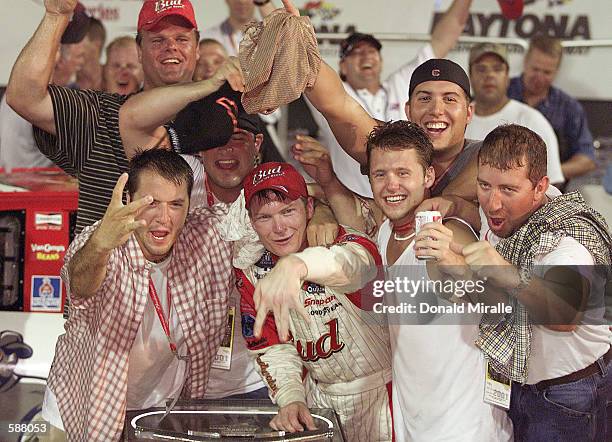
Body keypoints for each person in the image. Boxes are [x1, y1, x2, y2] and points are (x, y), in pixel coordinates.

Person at [293, 120, 512, 441]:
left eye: (403, 173)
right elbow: (353, 221)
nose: (391, 185)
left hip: (465, 428)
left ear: (428, 177)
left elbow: (502, 305)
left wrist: (455, 263)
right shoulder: (384, 233)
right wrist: (326, 183)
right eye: (381, 174)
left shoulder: (450, 232)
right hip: (411, 423)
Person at [433, 124, 612, 441]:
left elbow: (564, 317)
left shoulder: (566, 242)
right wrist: (453, 206)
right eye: (484, 185)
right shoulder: (510, 214)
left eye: (508, 190)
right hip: (522, 386)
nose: (492, 203)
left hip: (570, 395)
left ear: (540, 186)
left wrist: (504, 271)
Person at [41, 149, 234, 440]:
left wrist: (320, 206)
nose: (164, 218)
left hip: (161, 412)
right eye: (152, 203)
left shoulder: (205, 234)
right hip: (82, 411)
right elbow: (79, 286)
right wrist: (101, 245)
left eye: (176, 204)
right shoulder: (102, 242)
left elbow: (270, 212)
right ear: (128, 200)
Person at [5, 0, 201, 233]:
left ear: (197, 48)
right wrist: (56, 15)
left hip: (201, 267)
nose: (171, 47)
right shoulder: (101, 114)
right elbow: (23, 96)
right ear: (139, 50)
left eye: (182, 39)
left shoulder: (225, 119)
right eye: (158, 40)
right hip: (106, 267)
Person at [235, 161, 392, 441]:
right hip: (319, 401)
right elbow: (271, 345)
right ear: (251, 222)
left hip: (383, 396)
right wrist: (291, 398)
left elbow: (356, 266)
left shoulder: (345, 240)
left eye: (287, 212)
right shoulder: (253, 270)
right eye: (265, 217)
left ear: (309, 209)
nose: (279, 227)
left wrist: (297, 265)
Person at [308, 0, 473, 197]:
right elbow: (336, 105)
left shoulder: (486, 156)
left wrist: (452, 203)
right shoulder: (388, 148)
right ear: (408, 110)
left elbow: (445, 37)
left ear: (469, 111)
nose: (437, 109)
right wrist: (294, 39)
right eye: (424, 99)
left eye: (450, 99)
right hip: (366, 218)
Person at [465, 42, 564, 185]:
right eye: (481, 69)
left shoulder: (531, 120)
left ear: (507, 76)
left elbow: (552, 183)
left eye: (497, 69)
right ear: (470, 76)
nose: (489, 75)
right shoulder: (457, 118)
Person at [508, 35, 597, 182]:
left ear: (557, 71)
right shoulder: (501, 93)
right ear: (525, 62)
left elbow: (587, 159)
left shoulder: (569, 108)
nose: (539, 77)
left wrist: (548, 173)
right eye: (535, 69)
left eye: (547, 72)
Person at [75, 17, 106, 90]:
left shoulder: (115, 81)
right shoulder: (62, 82)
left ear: (96, 44)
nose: (70, 45)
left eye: (77, 38)